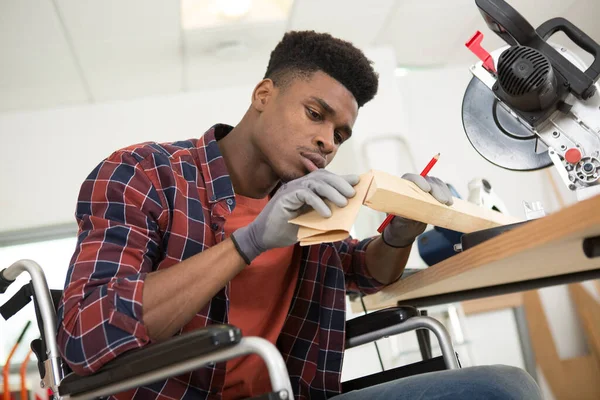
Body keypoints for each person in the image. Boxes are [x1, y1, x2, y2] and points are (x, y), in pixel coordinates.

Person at [56, 31, 542, 400]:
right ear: (263, 95)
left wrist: (400, 233)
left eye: (341, 134)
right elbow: (85, 333)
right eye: (316, 114)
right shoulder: (142, 174)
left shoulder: (302, 198)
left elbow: (361, 270)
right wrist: (248, 243)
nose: (329, 142)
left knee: (504, 385)